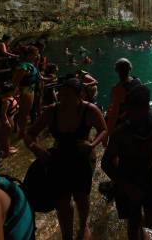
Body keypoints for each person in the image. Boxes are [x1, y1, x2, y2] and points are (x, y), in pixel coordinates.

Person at [25, 78, 107, 240]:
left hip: (83, 160)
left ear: (79, 95)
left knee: (81, 197)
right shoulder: (52, 111)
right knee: (62, 202)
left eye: (68, 96)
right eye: (61, 95)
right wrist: (37, 149)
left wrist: (92, 144)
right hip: (59, 160)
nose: (63, 100)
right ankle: (67, 235)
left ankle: (83, 226)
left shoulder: (89, 110)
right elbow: (29, 134)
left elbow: (103, 129)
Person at [101, 85, 152, 240]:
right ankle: (136, 227)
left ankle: (138, 226)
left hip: (148, 177)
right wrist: (126, 187)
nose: (129, 113)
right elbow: (106, 163)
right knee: (132, 222)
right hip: (127, 178)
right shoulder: (121, 132)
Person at [106, 58, 143, 135]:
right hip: (139, 115)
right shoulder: (137, 81)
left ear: (116, 70)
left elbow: (114, 112)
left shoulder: (117, 89)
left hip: (125, 120)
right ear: (130, 69)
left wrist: (108, 134)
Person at [12, 46, 41, 137]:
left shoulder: (31, 64)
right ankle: (22, 132)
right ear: (29, 55)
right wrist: (16, 93)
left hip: (31, 89)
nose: (37, 56)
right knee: (24, 113)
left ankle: (19, 129)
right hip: (26, 91)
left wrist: (37, 62)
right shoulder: (24, 66)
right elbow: (15, 81)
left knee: (24, 112)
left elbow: (37, 75)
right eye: (35, 55)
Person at [0, 82, 19, 157]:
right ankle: (6, 152)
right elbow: (3, 113)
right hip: (8, 120)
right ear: (8, 92)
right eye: (13, 90)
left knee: (8, 136)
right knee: (6, 136)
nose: (14, 91)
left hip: (11, 118)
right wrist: (6, 122)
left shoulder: (10, 97)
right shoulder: (6, 101)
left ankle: (8, 147)